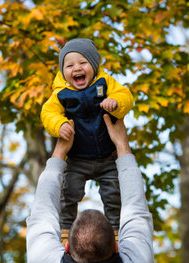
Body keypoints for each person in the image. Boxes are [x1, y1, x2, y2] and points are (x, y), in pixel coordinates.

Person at [26, 115, 154, 263]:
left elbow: (136, 211)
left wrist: (60, 151)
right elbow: (136, 212)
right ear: (116, 247)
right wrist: (121, 145)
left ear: (67, 246)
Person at [40, 38, 134, 239]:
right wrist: (60, 125)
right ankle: (65, 228)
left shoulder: (105, 82)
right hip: (78, 158)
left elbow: (125, 95)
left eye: (82, 63)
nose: (76, 68)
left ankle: (116, 229)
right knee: (69, 193)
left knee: (113, 195)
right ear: (62, 70)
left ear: (93, 64)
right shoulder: (61, 93)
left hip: (107, 157)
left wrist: (115, 102)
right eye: (69, 65)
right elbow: (48, 114)